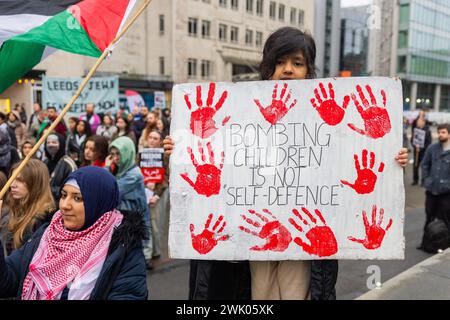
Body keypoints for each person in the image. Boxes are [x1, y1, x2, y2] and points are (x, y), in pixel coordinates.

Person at [163, 26, 409, 300]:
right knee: (257, 296)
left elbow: (353, 155)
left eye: (297, 63)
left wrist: (390, 156)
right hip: (256, 231)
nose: (287, 69)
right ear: (267, 67)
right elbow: (214, 159)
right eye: (279, 62)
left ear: (309, 69)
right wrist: (181, 150)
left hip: (303, 233)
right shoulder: (244, 111)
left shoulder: (325, 113)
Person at [0, 166, 148, 300]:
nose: (65, 205)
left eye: (78, 198)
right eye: (64, 195)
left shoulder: (122, 248)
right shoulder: (47, 234)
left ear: (99, 202)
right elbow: (6, 282)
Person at [106, 136, 153, 270]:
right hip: (127, 213)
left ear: (127, 152)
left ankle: (146, 258)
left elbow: (113, 189)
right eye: (113, 154)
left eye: (118, 154)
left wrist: (107, 168)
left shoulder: (134, 174)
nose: (115, 158)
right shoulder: (122, 169)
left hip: (133, 213)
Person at [0, 159, 55, 256]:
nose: (12, 185)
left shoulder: (41, 221)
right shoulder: (18, 209)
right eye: (12, 179)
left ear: (36, 183)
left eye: (20, 180)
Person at [418, 124, 450, 249]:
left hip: (446, 193)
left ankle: (445, 244)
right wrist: (427, 180)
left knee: (446, 219)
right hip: (431, 191)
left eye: (443, 132)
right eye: (439, 132)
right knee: (429, 217)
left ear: (449, 134)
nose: (440, 134)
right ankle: (426, 244)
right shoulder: (432, 148)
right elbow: (424, 164)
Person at [143, 130, 169, 259]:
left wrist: (157, 195)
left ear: (160, 142)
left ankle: (156, 251)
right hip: (145, 191)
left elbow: (166, 177)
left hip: (160, 192)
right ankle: (148, 250)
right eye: (150, 137)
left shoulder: (164, 156)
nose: (152, 140)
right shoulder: (141, 154)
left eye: (155, 138)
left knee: (156, 224)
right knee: (146, 223)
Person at [44, 132, 77, 203]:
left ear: (61, 144)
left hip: (60, 203)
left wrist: (50, 190)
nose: (50, 145)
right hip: (45, 202)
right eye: (48, 142)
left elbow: (72, 187)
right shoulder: (45, 162)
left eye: (54, 142)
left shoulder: (68, 163)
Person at [411, 110, 432, 185]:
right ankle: (415, 180)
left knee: (423, 166)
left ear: (423, 122)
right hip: (416, 151)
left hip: (424, 152)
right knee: (415, 166)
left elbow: (429, 142)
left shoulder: (427, 131)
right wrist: (415, 146)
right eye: (417, 122)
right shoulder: (415, 130)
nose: (418, 123)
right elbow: (412, 140)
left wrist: (421, 148)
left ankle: (423, 181)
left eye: (419, 122)